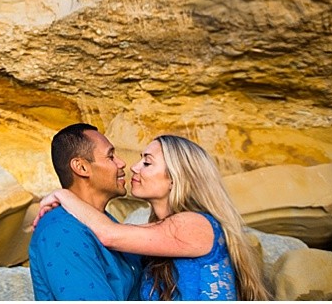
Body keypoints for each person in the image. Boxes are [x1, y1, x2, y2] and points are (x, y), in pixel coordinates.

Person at [36, 135, 270, 301]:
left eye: (147, 162)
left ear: (175, 179)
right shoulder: (154, 235)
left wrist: (64, 194)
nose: (133, 167)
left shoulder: (196, 224)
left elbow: (109, 235)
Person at [29, 123, 141, 300]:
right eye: (110, 156)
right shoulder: (60, 232)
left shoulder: (106, 222)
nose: (122, 163)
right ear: (81, 167)